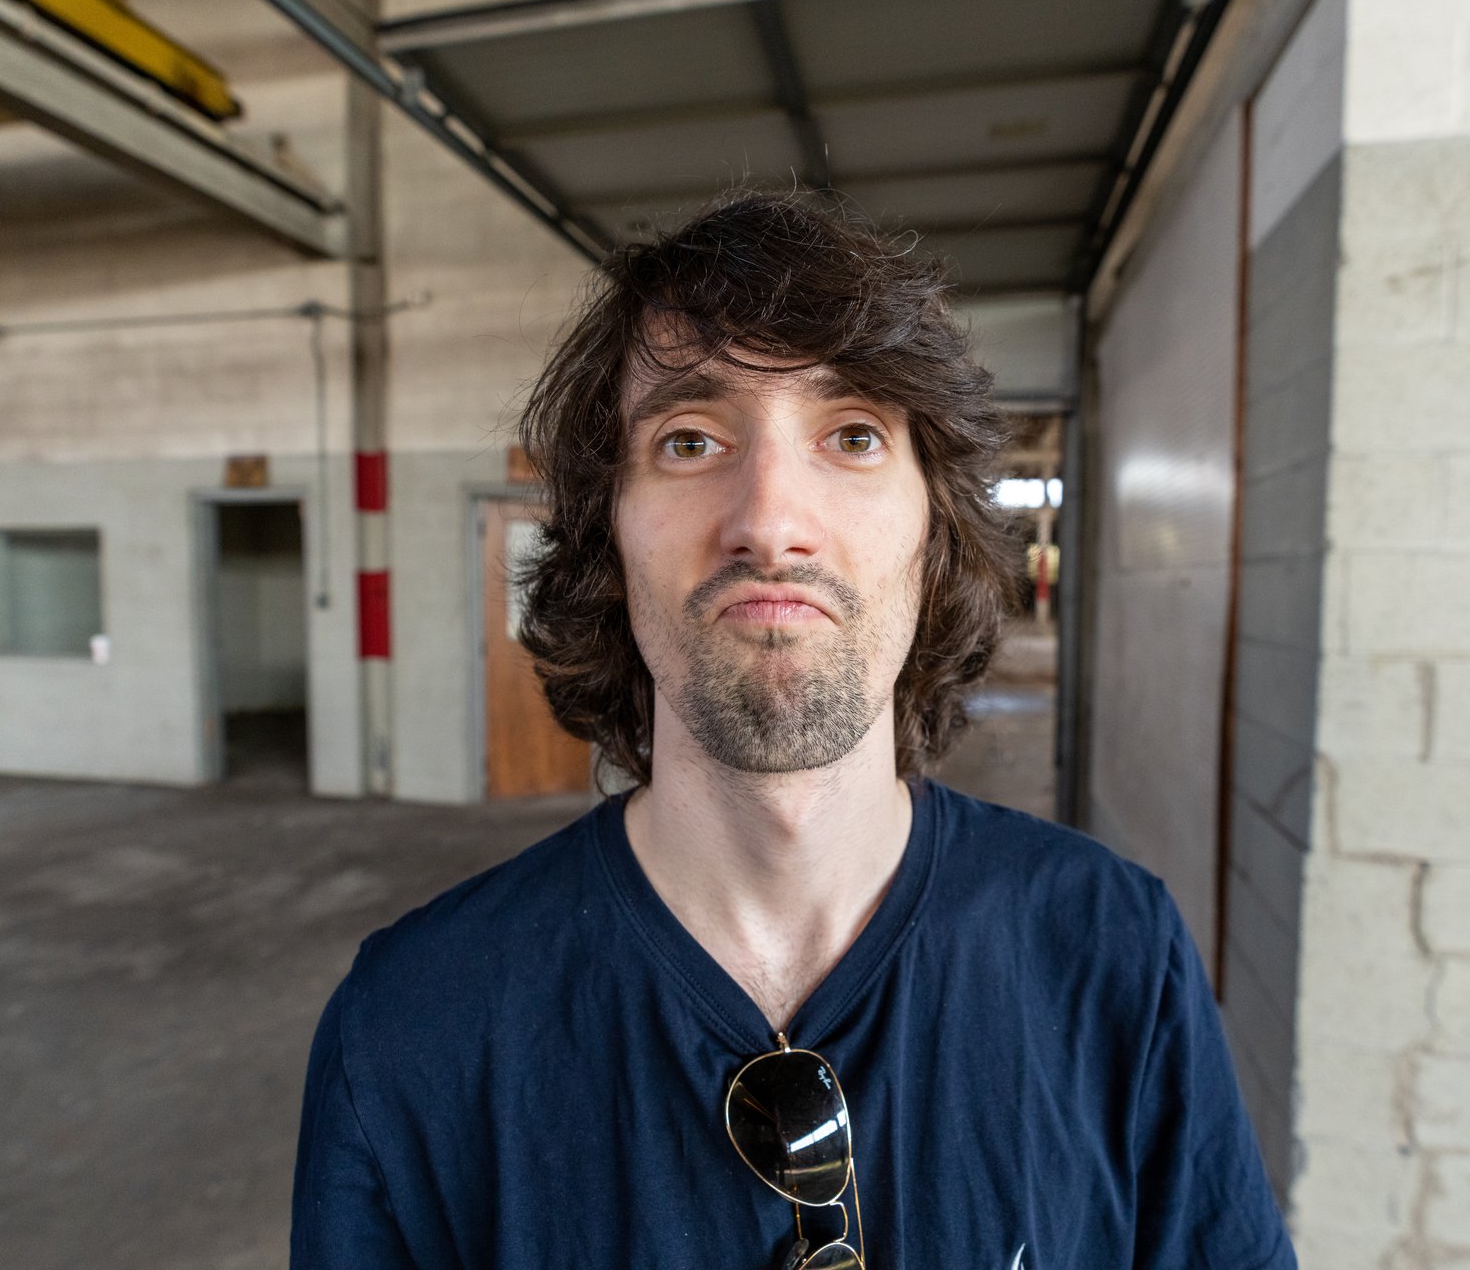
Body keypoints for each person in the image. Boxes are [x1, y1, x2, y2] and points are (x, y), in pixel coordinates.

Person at [290, 195, 1296, 1270]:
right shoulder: (410, 1029)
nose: (770, 521)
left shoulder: (1114, 955)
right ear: (606, 537)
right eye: (689, 440)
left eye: (853, 436)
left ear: (935, 532)